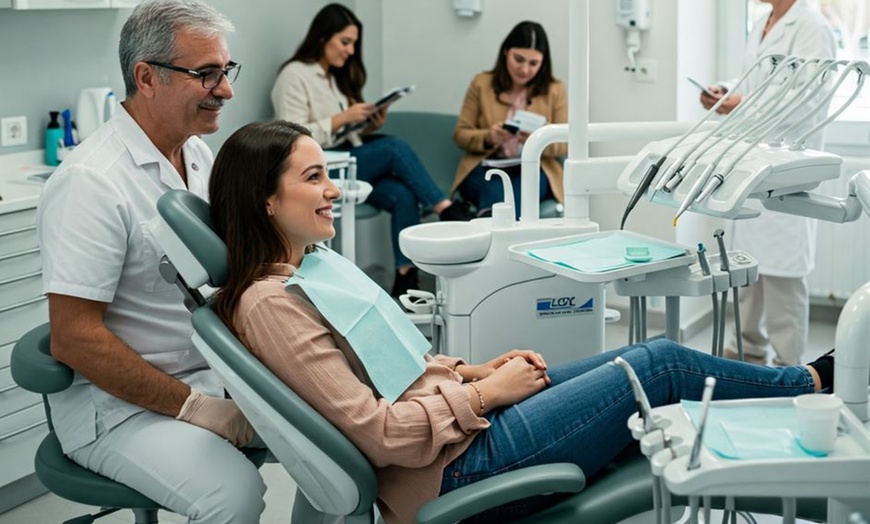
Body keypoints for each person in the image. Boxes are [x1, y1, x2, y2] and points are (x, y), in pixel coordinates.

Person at [208, 120, 835, 524]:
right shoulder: (270, 305)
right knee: (657, 364)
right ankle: (813, 386)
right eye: (313, 177)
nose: (334, 189)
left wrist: (470, 370)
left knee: (657, 360)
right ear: (266, 200)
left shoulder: (309, 270)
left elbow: (382, 362)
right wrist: (485, 393)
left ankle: (808, 391)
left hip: (457, 433)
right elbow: (374, 431)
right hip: (449, 469)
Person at [36, 2, 266, 522]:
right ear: (147, 77)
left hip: (207, 375)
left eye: (225, 71)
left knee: (337, 435)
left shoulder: (199, 156)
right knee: (233, 495)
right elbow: (73, 337)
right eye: (205, 74)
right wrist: (194, 407)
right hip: (120, 409)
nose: (226, 89)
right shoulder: (91, 183)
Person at [270, 3, 474, 297]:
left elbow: (340, 131)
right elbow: (291, 136)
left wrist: (366, 124)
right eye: (345, 42)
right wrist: (344, 117)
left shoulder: (333, 79)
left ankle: (405, 278)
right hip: (326, 165)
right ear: (322, 37)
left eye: (353, 44)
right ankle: (447, 209)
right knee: (394, 147)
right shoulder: (295, 75)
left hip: (347, 158)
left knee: (402, 194)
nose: (350, 51)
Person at [700, 0, 836, 366]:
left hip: (788, 166)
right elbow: (755, 81)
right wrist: (725, 91)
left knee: (783, 285)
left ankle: (790, 370)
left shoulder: (812, 28)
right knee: (748, 276)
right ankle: (747, 356)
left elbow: (804, 101)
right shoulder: (763, 22)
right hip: (752, 164)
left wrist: (742, 103)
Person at [452, 21, 567, 218]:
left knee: (524, 187)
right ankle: (501, 244)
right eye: (519, 59)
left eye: (533, 63)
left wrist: (537, 139)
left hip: (535, 168)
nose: (524, 70)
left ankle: (492, 244)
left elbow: (564, 143)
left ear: (543, 62)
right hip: (488, 166)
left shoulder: (555, 89)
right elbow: (460, 134)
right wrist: (488, 137)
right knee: (495, 186)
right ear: (506, 51)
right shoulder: (482, 83)